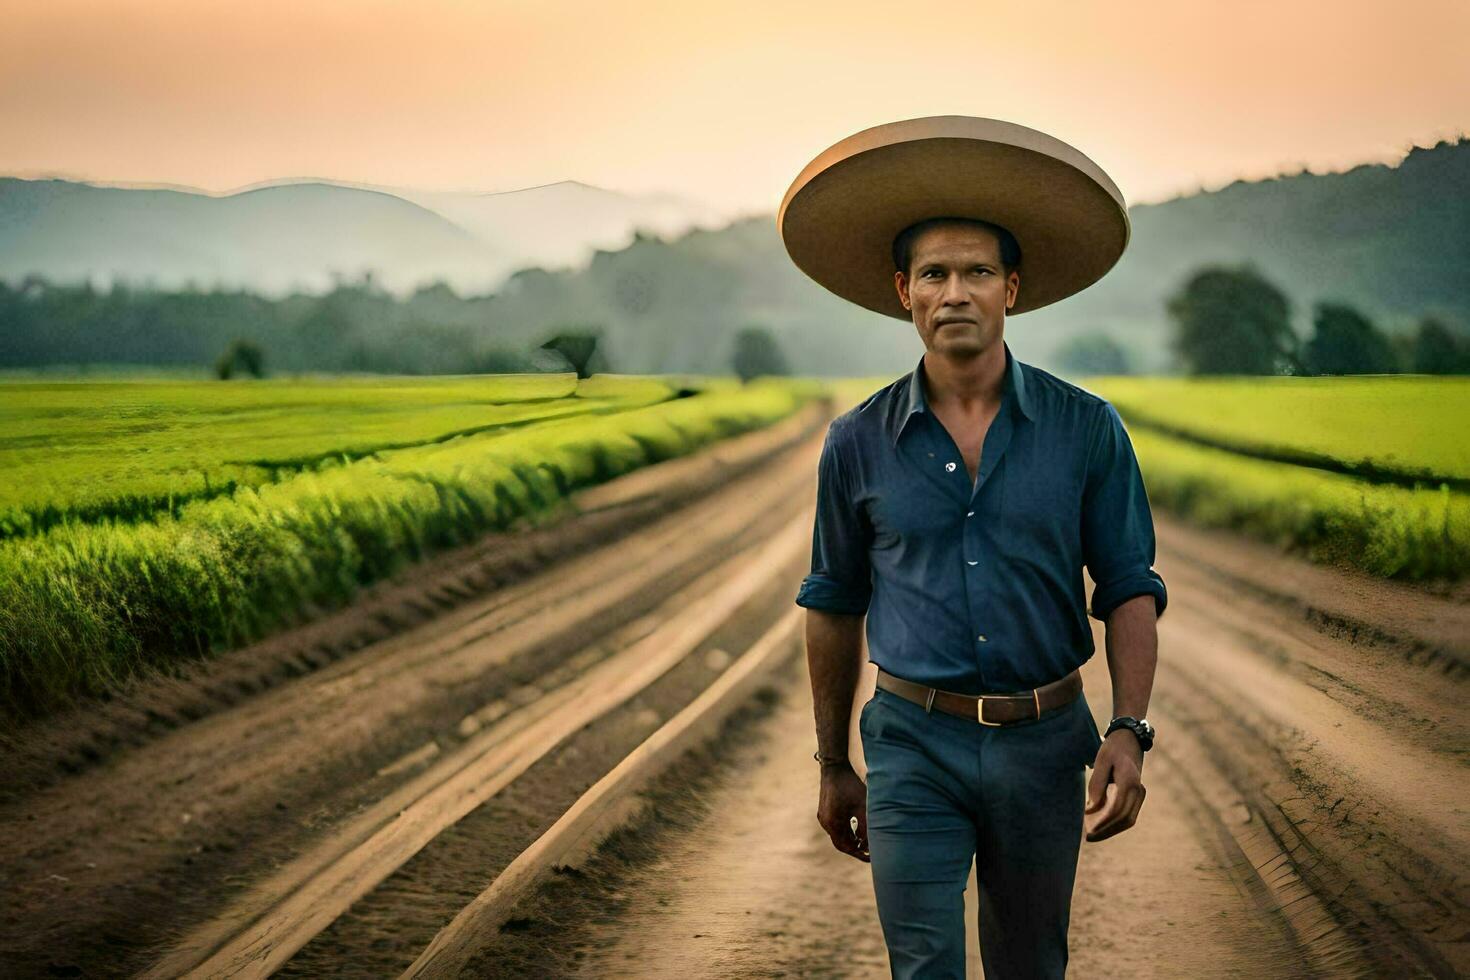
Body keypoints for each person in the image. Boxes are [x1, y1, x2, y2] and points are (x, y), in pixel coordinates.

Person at [780, 116, 1166, 979]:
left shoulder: (1086, 429)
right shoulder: (856, 443)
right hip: (913, 744)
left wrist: (1131, 728)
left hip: (1044, 742)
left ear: (1012, 290)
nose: (956, 291)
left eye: (978, 272)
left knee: (1032, 965)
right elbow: (833, 603)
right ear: (903, 293)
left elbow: (1130, 586)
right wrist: (835, 763)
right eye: (935, 274)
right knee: (924, 967)